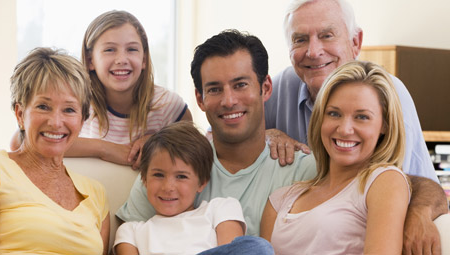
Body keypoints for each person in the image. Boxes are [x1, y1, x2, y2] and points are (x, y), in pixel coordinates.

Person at [264, 0, 448, 252]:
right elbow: (223, 139)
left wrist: (418, 212)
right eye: (300, 39)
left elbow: (420, 184)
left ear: (355, 42)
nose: (313, 51)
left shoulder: (386, 94)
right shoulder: (278, 88)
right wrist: (265, 134)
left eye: (327, 35)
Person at [116, 30, 317, 237]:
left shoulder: (304, 172)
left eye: (240, 85)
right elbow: (126, 239)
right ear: (200, 99)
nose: (228, 101)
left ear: (265, 88)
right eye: (214, 89)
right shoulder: (168, 166)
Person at [261, 60, 413, 254]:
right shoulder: (280, 199)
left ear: (385, 125)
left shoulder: (384, 180)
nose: (344, 129)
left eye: (362, 117)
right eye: (334, 114)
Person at [0, 48, 110, 254]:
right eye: (43, 106)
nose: (55, 122)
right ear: (20, 114)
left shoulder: (96, 193)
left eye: (69, 110)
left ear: (82, 121)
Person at [11, 10, 192, 168]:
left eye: (132, 49)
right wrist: (104, 149)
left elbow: (193, 154)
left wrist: (158, 143)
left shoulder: (168, 106)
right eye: (109, 50)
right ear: (90, 61)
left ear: (144, 59)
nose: (121, 59)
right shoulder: (76, 103)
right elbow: (20, 141)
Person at [114, 121, 272, 255]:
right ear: (144, 179)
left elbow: (233, 250)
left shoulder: (220, 208)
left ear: (202, 182)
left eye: (181, 176)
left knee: (259, 247)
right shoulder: (130, 231)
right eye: (158, 175)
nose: (168, 187)